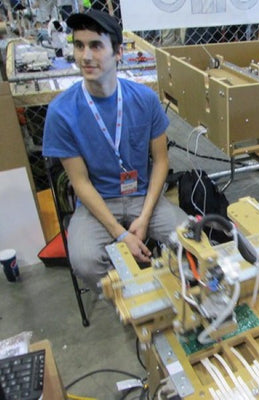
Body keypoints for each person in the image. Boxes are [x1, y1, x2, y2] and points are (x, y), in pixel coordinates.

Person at [42, 10, 188, 290]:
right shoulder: (62, 112)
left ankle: (167, 292)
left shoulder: (144, 99)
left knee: (190, 240)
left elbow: (160, 162)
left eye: (96, 45)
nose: (85, 56)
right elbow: (80, 182)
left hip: (142, 197)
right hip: (97, 202)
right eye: (79, 45)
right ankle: (135, 297)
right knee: (84, 261)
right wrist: (122, 235)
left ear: (118, 52)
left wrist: (143, 219)